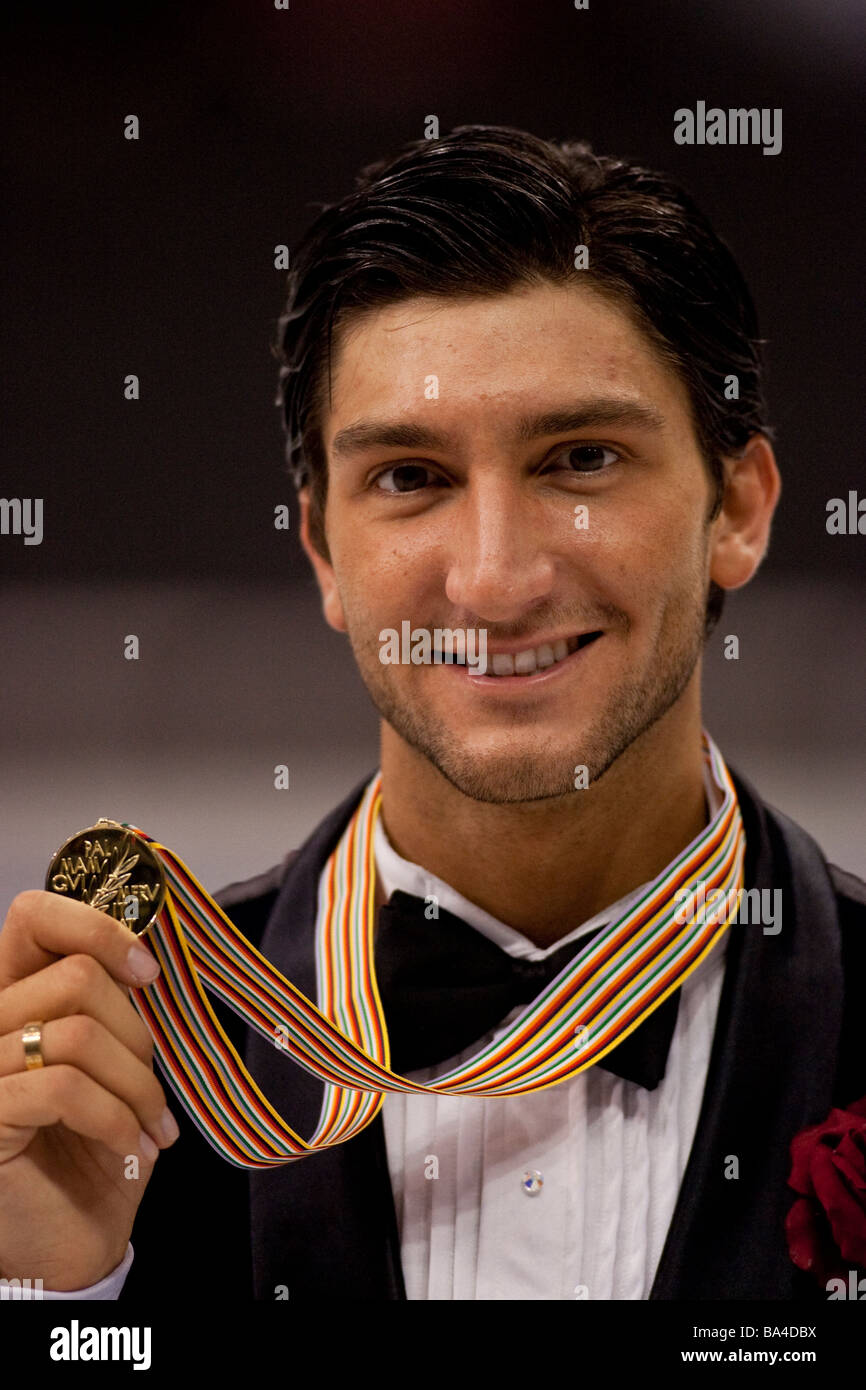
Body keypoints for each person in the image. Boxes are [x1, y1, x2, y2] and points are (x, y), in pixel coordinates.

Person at [1, 125, 863, 1302]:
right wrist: (53, 1303)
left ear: (739, 510)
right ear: (321, 550)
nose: (493, 580)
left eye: (580, 458)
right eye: (409, 477)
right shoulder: (117, 1067)